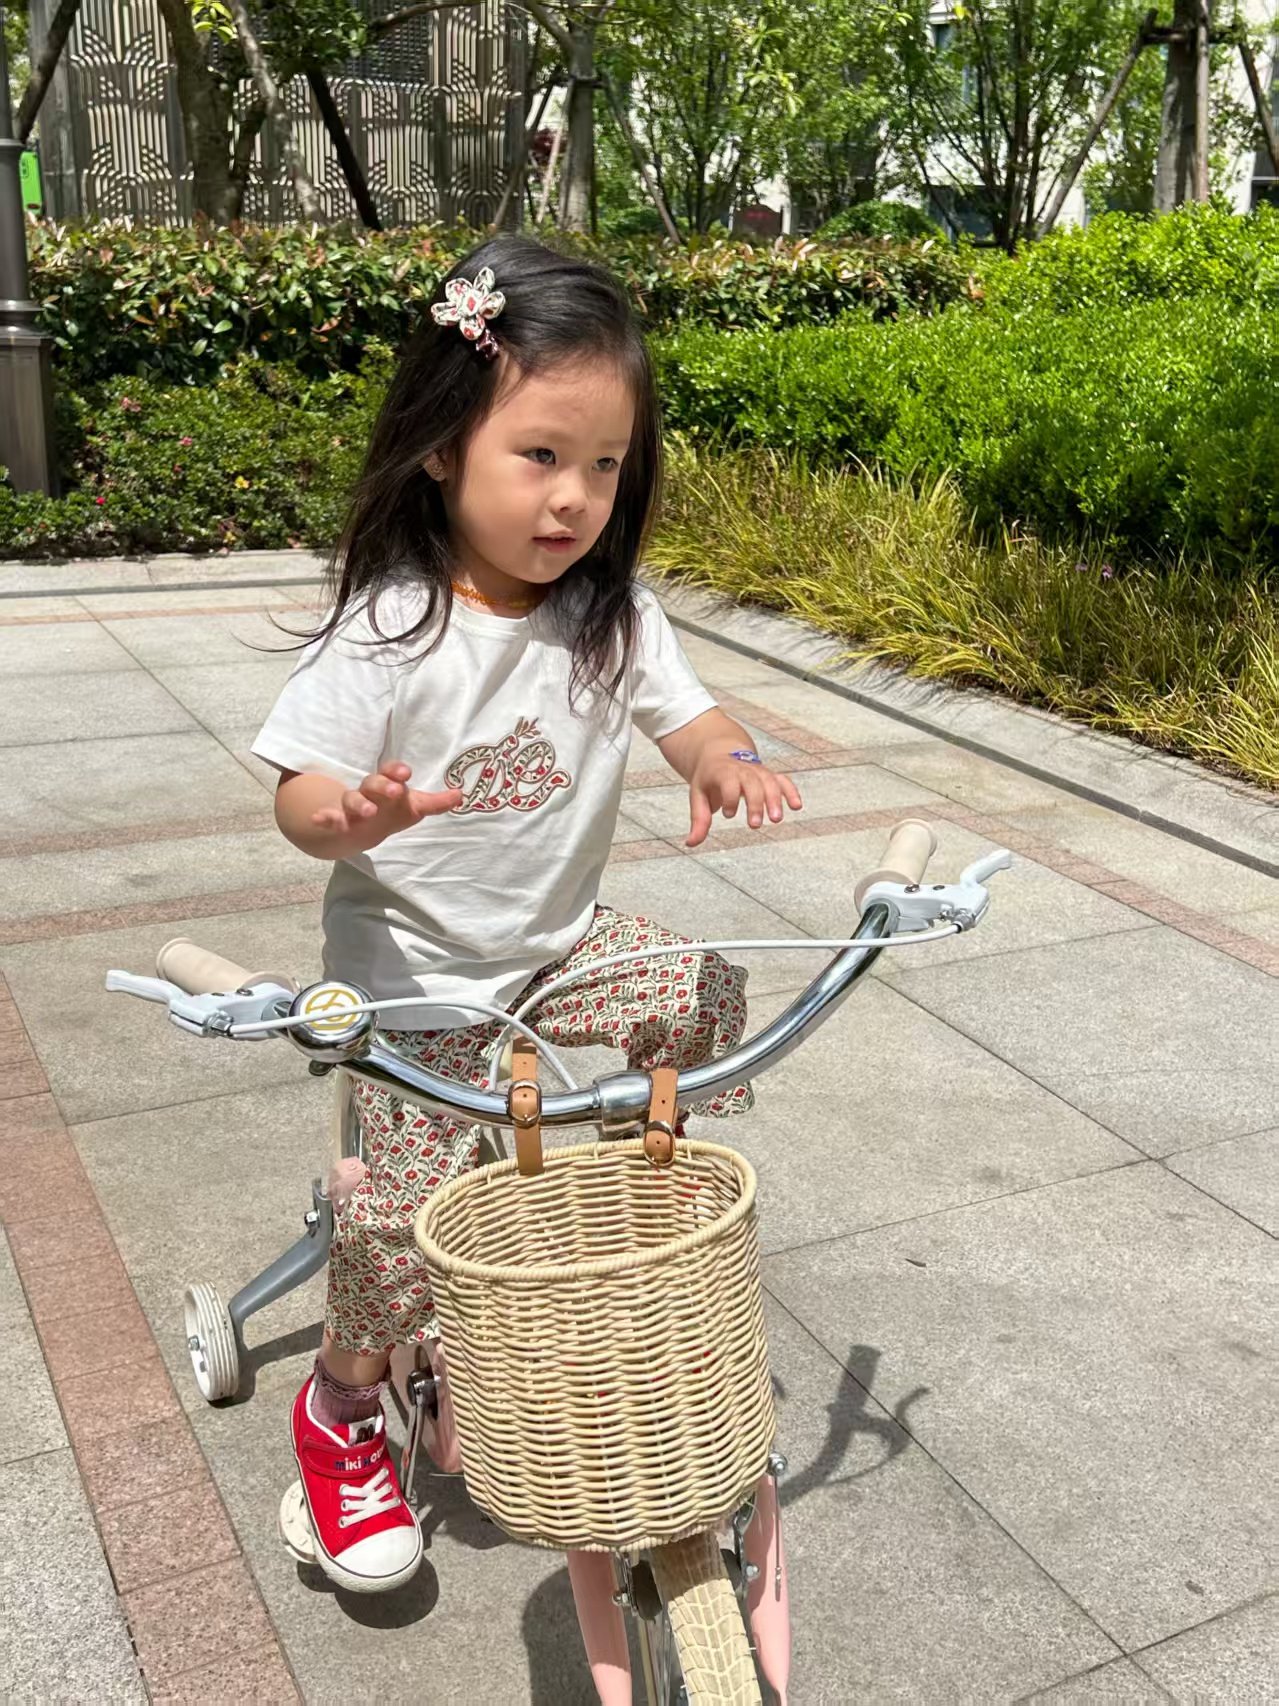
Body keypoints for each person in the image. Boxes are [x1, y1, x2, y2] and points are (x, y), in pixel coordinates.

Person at [251, 233, 803, 1594]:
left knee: (699, 987)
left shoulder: (613, 619)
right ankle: (340, 1407)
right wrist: (351, 816)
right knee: (395, 1228)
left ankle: (597, 1233)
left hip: (557, 953)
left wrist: (723, 760)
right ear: (445, 445)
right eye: (541, 455)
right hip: (421, 984)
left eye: (606, 466)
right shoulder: (390, 626)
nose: (575, 499)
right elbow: (300, 790)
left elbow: (690, 720)